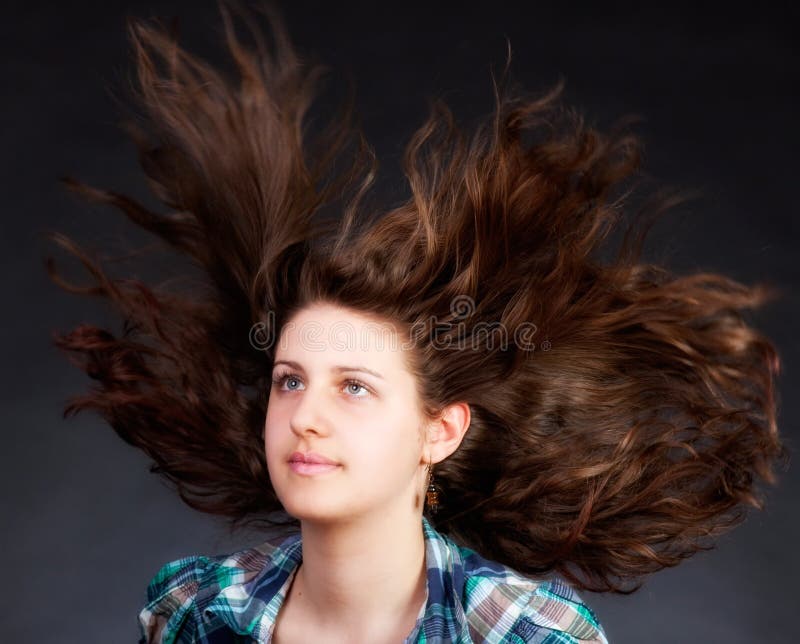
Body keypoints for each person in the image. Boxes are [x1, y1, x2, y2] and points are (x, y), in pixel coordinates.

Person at [47, 1, 787, 642]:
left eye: (355, 388)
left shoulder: (528, 636)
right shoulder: (195, 612)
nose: (305, 417)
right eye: (289, 381)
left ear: (441, 430)